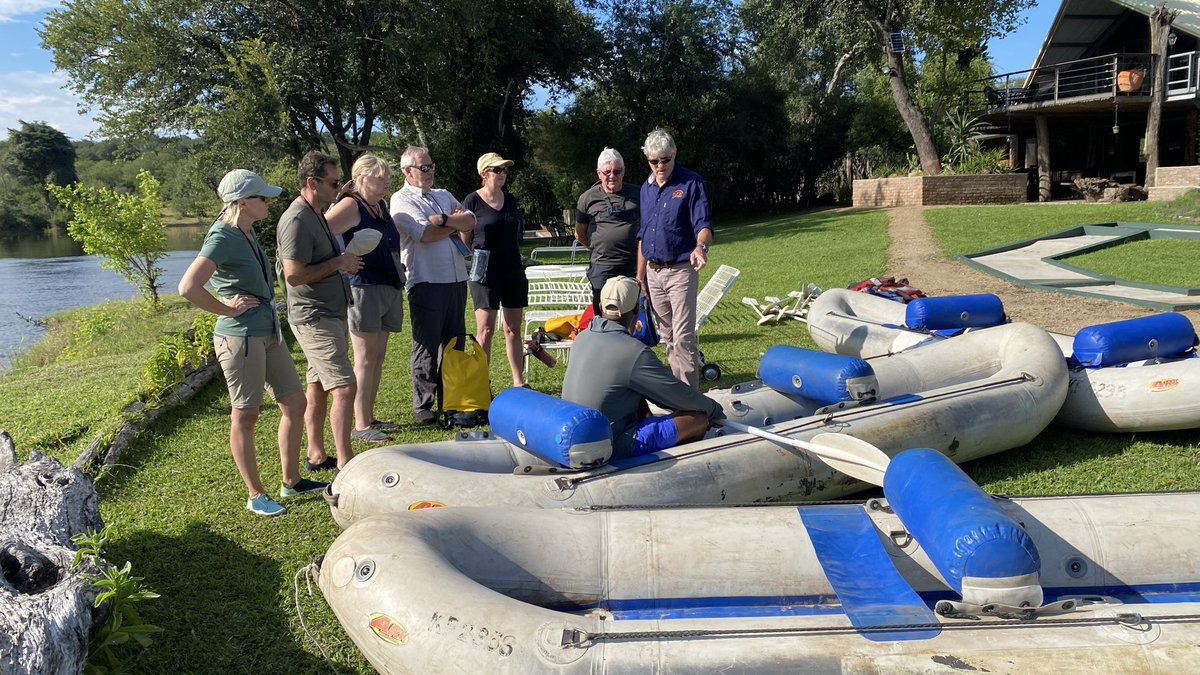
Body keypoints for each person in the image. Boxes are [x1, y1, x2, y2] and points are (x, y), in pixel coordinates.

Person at [178, 169, 327, 516]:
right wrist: (226, 308)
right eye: (262, 197)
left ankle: (290, 482)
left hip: (268, 334)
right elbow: (188, 287)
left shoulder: (246, 231)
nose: (268, 202)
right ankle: (255, 494)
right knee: (246, 415)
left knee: (294, 403)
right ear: (242, 202)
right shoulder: (223, 235)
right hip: (240, 338)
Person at [562, 276, 724, 459]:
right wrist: (714, 410)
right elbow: (675, 396)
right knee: (697, 420)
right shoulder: (634, 351)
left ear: (599, 307)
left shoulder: (582, 338)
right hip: (610, 444)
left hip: (575, 435)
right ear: (636, 310)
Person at [277, 151, 363, 470]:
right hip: (314, 317)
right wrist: (339, 262)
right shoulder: (297, 220)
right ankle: (346, 462)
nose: (338, 188)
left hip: (329, 313)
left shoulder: (317, 213)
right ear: (312, 183)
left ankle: (316, 454)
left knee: (318, 386)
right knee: (344, 385)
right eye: (333, 182)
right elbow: (294, 274)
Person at [390, 146, 476, 424]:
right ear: (407, 171)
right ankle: (424, 407)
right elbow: (424, 234)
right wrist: (454, 223)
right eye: (424, 168)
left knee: (455, 343)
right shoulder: (401, 199)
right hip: (426, 280)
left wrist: (445, 221)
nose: (430, 172)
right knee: (426, 345)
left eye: (431, 166)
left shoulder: (442, 195)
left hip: (455, 279)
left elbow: (471, 220)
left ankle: (453, 399)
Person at [324, 154, 405, 443]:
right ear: (361, 179)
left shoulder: (380, 205)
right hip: (363, 287)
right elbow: (320, 231)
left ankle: (368, 416)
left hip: (387, 284)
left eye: (387, 178)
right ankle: (360, 425)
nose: (386, 183)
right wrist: (341, 260)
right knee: (365, 359)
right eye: (379, 178)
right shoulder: (350, 204)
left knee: (378, 357)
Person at [637, 128, 714, 388]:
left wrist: (700, 247)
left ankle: (691, 401)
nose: (660, 166)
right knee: (668, 337)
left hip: (681, 269)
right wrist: (640, 276)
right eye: (654, 161)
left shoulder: (691, 183)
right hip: (653, 271)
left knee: (683, 337)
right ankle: (680, 393)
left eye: (665, 160)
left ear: (675, 155)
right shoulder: (646, 188)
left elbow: (704, 226)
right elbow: (643, 234)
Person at [462, 152, 528, 389]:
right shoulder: (472, 200)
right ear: (483, 174)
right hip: (485, 272)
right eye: (497, 170)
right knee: (486, 330)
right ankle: (480, 384)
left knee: (512, 329)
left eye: (504, 170)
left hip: (512, 269)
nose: (502, 174)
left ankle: (518, 382)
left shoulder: (510, 199)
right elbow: (464, 238)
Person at [575, 147, 639, 311]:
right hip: (602, 267)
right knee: (603, 311)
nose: (612, 176)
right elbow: (580, 233)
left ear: (623, 172)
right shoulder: (587, 198)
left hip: (632, 265)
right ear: (598, 173)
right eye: (607, 172)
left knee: (633, 311)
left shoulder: (639, 194)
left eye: (617, 171)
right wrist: (597, 247)